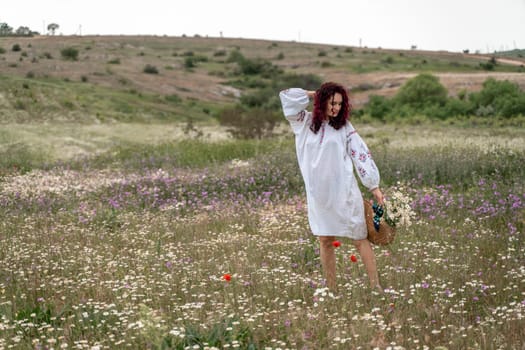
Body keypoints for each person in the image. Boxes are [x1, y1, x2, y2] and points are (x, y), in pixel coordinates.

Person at [279, 82, 384, 291]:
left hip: (344, 192)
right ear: (322, 101)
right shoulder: (303, 122)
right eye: (332, 102)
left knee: (359, 237)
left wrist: (374, 187)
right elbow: (286, 96)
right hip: (318, 195)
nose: (336, 108)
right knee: (325, 239)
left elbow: (360, 154)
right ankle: (331, 288)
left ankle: (376, 287)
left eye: (339, 104)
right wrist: (314, 94)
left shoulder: (344, 127)